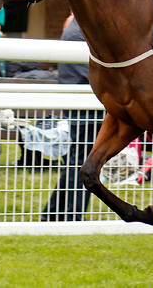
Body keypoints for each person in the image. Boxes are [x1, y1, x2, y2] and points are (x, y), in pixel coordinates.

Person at [41, 14, 103, 221]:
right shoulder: (78, 33)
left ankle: (53, 213)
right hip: (84, 107)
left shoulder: (78, 30)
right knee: (85, 162)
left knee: (80, 160)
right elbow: (96, 74)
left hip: (84, 105)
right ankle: (72, 215)